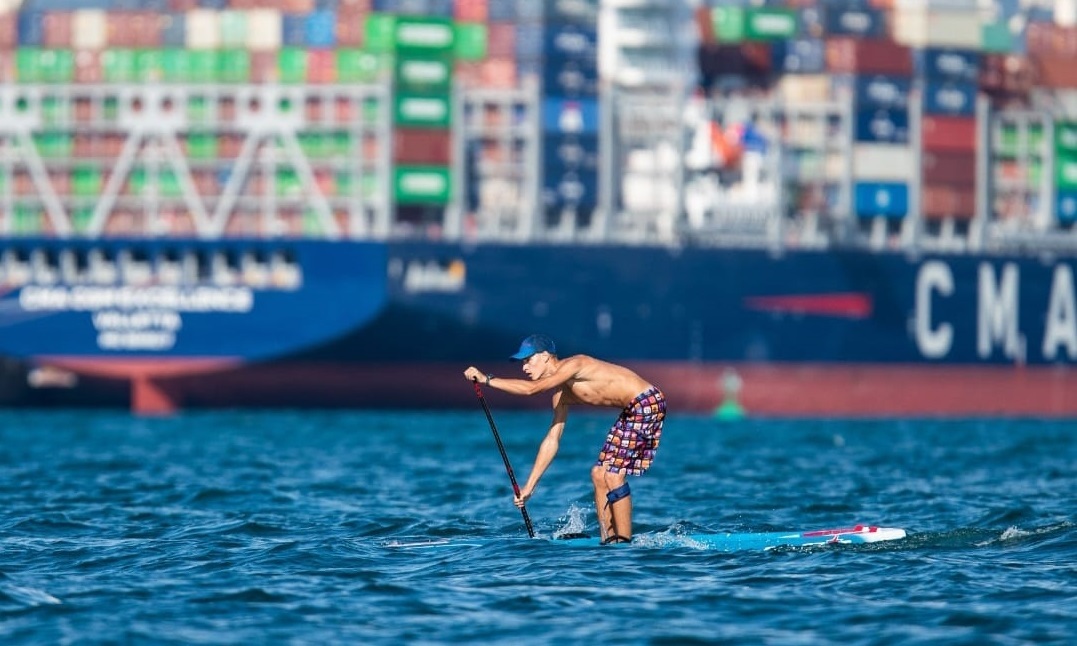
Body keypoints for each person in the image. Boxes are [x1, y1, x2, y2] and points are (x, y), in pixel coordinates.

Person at [464, 334, 666, 544]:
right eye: (522, 362)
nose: (524, 367)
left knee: (614, 475)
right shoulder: (560, 395)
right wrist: (529, 488)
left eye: (528, 360)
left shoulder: (575, 364)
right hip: (631, 410)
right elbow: (552, 439)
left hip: (647, 402)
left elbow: (531, 390)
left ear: (545, 356)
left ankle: (624, 544)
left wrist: (487, 380)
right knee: (598, 474)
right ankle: (608, 541)